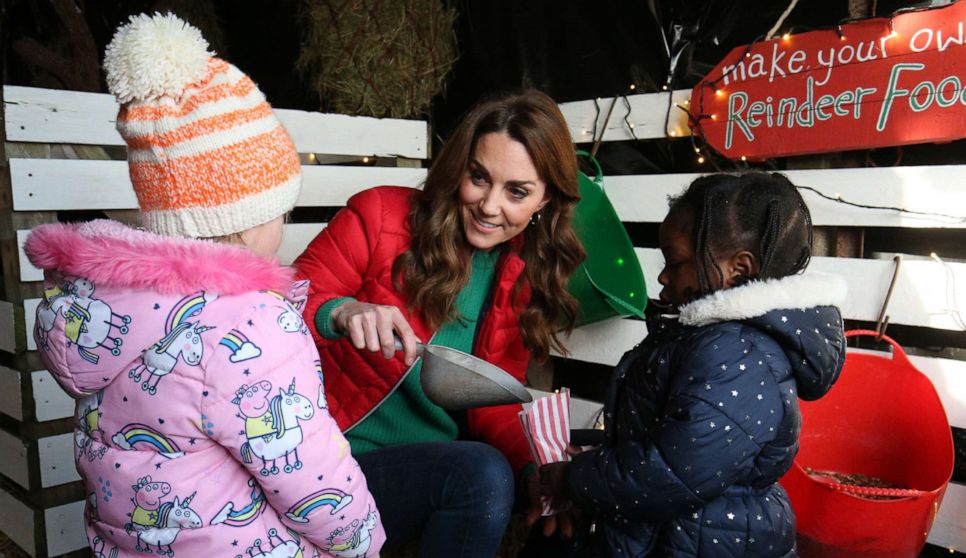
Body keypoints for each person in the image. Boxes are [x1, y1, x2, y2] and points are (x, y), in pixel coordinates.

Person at [25, 13, 383, 558]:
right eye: (279, 211)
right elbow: (310, 476)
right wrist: (362, 543)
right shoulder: (249, 324)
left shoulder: (99, 306)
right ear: (250, 219)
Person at [294, 89, 586, 556]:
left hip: (418, 473)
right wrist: (341, 312)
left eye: (516, 192)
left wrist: (538, 471)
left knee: (512, 485)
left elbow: (493, 396)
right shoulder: (380, 215)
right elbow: (280, 303)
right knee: (483, 475)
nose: (490, 206)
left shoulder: (523, 276)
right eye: (478, 178)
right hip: (322, 458)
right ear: (458, 169)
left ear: (546, 199)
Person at [539, 172, 847, 557]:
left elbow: (674, 472)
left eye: (676, 260)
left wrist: (573, 479)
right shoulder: (709, 340)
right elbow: (663, 436)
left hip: (704, 543)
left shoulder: (739, 356)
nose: (664, 275)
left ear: (739, 269)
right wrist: (595, 452)